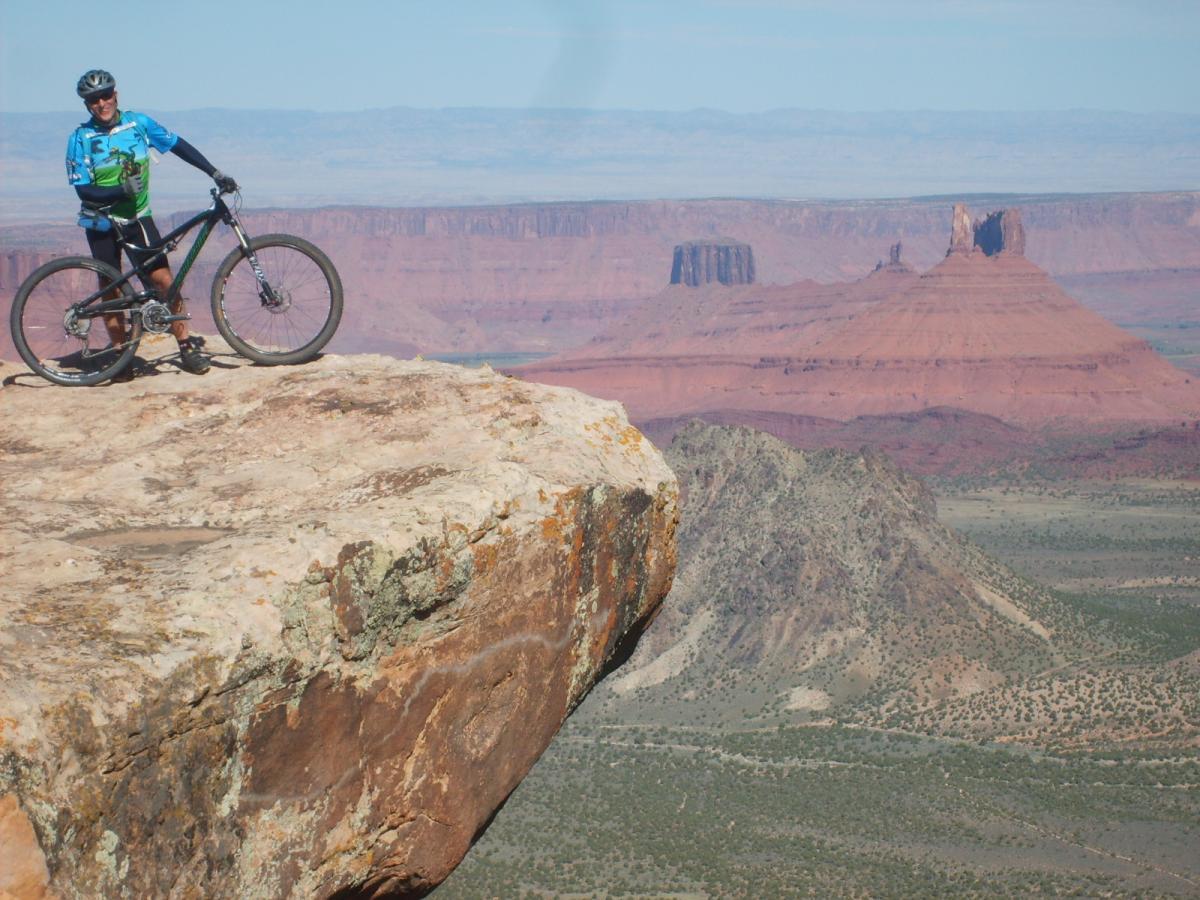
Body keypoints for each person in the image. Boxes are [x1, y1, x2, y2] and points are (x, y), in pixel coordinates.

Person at [66, 69, 238, 376]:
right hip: (100, 222)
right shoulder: (81, 139)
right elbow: (84, 189)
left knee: (164, 282)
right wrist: (121, 190)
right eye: (94, 99)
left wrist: (214, 172)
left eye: (106, 95)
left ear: (116, 94)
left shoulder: (138, 124)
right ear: (87, 105)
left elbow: (177, 145)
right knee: (110, 288)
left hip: (137, 217)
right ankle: (121, 358)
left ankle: (185, 347)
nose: (101, 103)